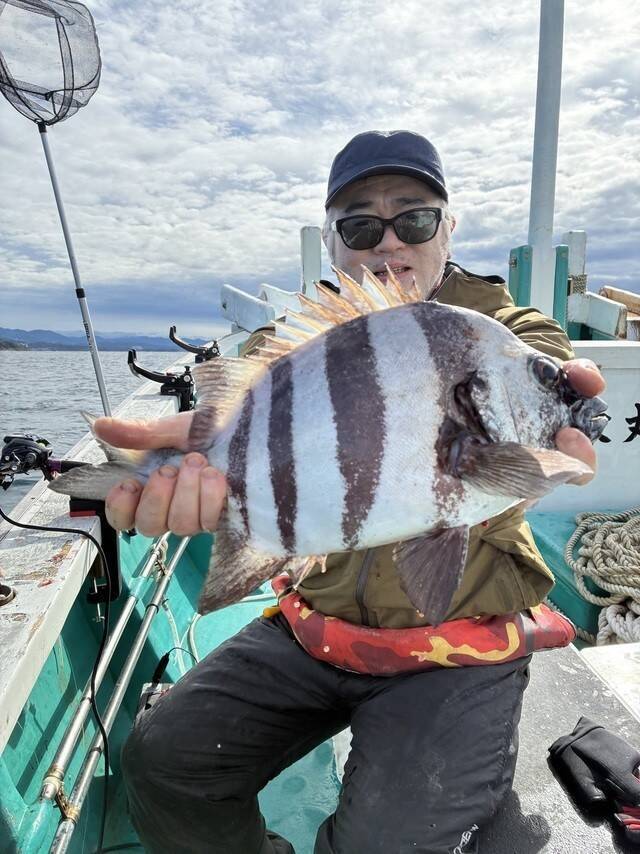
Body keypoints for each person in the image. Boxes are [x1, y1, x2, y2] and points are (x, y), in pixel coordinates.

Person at [98, 130, 605, 854]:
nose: (390, 243)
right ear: (335, 244)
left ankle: (481, 806)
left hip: (457, 646)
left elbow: (551, 373)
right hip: (315, 626)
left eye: (416, 219)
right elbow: (232, 427)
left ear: (448, 228)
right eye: (361, 225)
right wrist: (192, 483)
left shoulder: (501, 331)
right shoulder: (292, 344)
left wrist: (555, 418)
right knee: (162, 761)